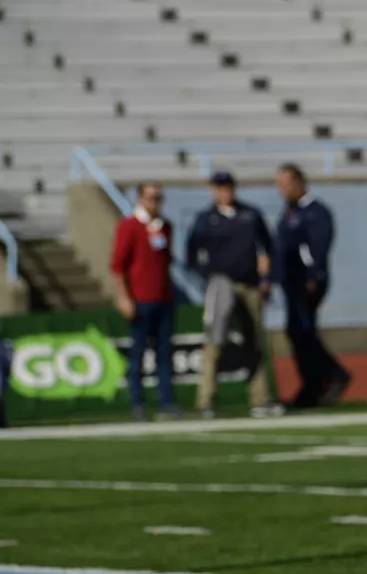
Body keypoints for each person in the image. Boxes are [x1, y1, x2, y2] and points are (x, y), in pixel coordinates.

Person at [185, 171, 276, 419]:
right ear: (213, 190)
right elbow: (192, 253)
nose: (224, 192)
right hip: (221, 285)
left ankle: (260, 399)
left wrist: (266, 277)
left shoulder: (250, 215)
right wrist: (209, 277)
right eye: (220, 188)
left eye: (228, 187)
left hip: (249, 285)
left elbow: (268, 247)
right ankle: (206, 400)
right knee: (215, 340)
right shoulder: (206, 219)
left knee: (254, 340)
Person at [274, 164, 348, 408]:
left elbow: (319, 247)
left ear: (298, 183)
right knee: (298, 332)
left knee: (303, 331)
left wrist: (314, 276)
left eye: (285, 184)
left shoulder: (315, 211)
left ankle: (328, 377)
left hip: (307, 282)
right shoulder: (289, 212)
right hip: (291, 282)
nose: (282, 190)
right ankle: (314, 383)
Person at [110, 181, 178, 421]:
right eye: (150, 198)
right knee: (138, 354)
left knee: (164, 354)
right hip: (140, 300)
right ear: (140, 199)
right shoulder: (129, 226)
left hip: (163, 298)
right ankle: (137, 402)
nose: (155, 202)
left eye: (158, 198)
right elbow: (118, 266)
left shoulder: (164, 227)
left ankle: (166, 402)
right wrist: (124, 297)